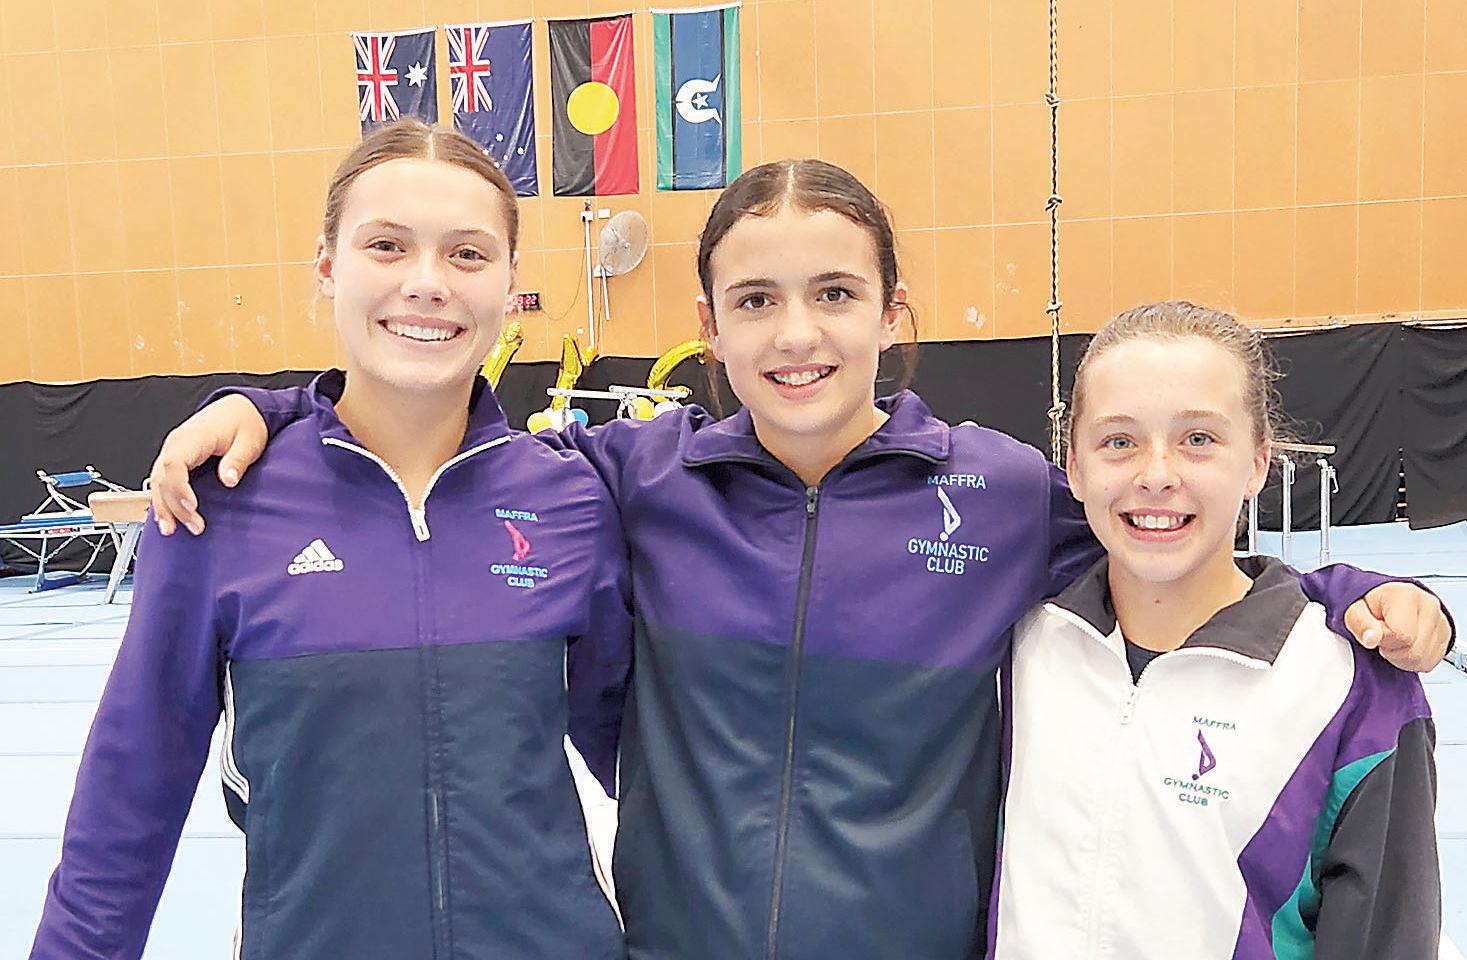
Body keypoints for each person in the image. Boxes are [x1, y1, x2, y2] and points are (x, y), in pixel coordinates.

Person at [144, 161, 1451, 959]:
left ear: (890, 312)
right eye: (756, 301)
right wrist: (281, 408)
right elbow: (445, 445)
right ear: (708, 325)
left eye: (834, 294)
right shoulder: (632, 481)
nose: (796, 336)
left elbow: (1169, 536)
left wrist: (1365, 598)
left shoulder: (995, 494)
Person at [29, 120, 631, 960]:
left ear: (509, 281)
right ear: (325, 266)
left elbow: (646, 768)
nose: (427, 283)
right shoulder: (221, 502)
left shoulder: (572, 499)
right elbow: (130, 791)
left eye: (467, 254)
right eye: (386, 246)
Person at [992, 302, 1440, 958]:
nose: (1156, 475)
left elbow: (1387, 937)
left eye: (1198, 439)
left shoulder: (1351, 685)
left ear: (1256, 462)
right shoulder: (1015, 644)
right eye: (1118, 441)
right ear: (1075, 467)